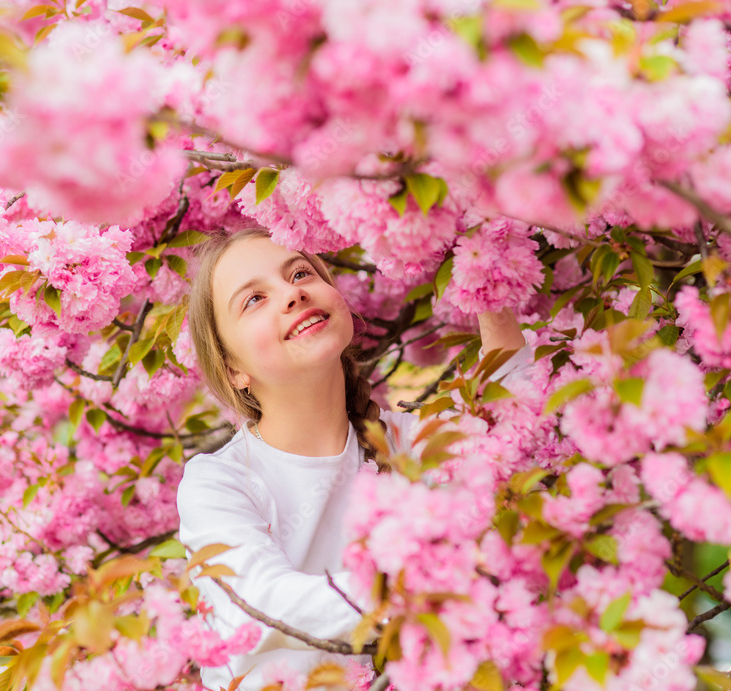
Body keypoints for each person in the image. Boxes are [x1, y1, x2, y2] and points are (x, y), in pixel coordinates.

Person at [176, 228, 531, 691]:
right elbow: (261, 604)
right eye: (253, 300)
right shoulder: (218, 483)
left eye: (300, 272)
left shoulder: (405, 444)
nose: (292, 293)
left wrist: (488, 270)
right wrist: (433, 583)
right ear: (234, 370)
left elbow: (511, 418)